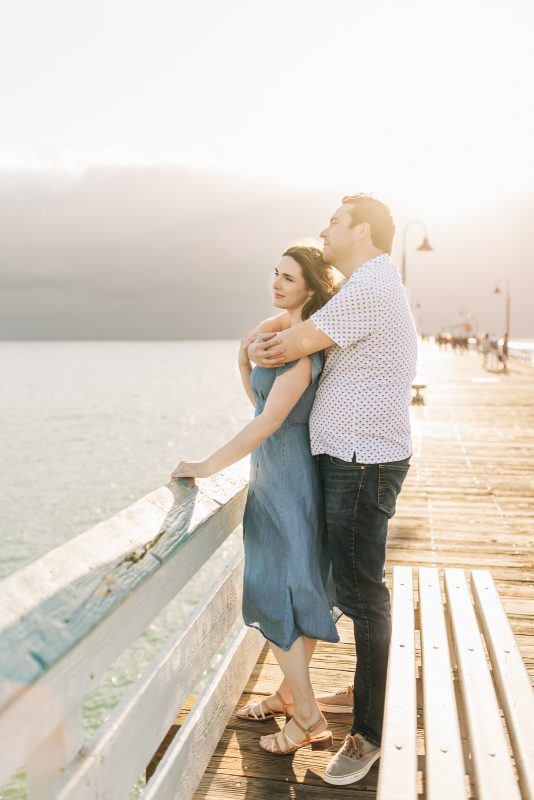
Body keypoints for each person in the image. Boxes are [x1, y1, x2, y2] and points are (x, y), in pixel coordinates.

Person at [248, 194, 417, 785]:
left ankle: (367, 735)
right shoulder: (362, 286)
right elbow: (303, 331)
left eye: (334, 222)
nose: (324, 230)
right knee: (346, 585)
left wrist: (254, 345)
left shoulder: (370, 285)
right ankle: (311, 697)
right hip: (354, 457)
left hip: (360, 461)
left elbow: (286, 347)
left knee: (363, 594)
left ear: (362, 231)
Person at [171, 246, 341, 755]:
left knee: (276, 589)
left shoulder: (302, 354)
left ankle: (308, 716)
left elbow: (266, 424)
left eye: (288, 278)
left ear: (309, 289)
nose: (277, 283)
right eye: (275, 274)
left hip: (286, 480)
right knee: (300, 587)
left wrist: (204, 466)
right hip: (277, 473)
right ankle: (290, 696)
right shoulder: (279, 339)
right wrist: (242, 361)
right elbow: (260, 404)